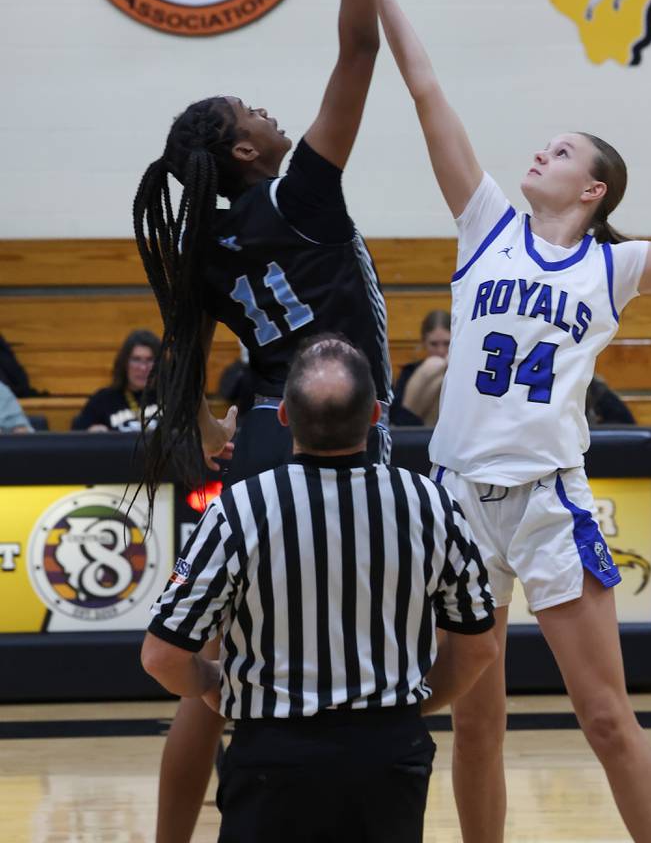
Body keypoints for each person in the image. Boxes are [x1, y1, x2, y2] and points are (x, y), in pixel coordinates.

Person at [316, 0, 651, 843]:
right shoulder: (485, 222)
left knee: (608, 717)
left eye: (564, 151)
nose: (541, 150)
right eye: (545, 143)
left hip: (547, 502)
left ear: (594, 192)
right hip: (455, 500)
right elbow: (423, 86)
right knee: (476, 720)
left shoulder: (612, 268)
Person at [133, 0, 393, 843]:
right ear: (246, 150)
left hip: (268, 442)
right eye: (253, 111)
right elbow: (359, 54)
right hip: (334, 428)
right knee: (348, 644)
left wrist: (213, 418)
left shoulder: (203, 246)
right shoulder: (298, 195)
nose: (269, 110)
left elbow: (189, 367)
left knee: (226, 664)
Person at [141, 335, 497, 843]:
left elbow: (161, 656)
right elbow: (479, 644)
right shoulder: (430, 505)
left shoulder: (238, 509)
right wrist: (405, 709)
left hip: (273, 759)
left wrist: (212, 687)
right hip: (388, 757)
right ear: (376, 414)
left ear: (283, 415)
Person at [71, 329, 160, 432]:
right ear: (124, 363)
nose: (143, 368)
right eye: (136, 359)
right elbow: (75, 436)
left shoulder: (173, 397)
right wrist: (91, 432)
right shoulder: (103, 400)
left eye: (150, 360)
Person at [391, 309, 451, 427]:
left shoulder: (466, 373)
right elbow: (397, 418)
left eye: (447, 343)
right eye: (434, 344)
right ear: (424, 342)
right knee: (435, 366)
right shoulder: (410, 372)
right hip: (413, 433)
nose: (441, 350)